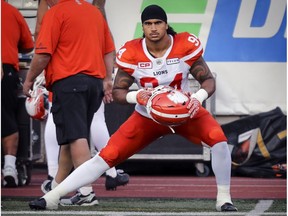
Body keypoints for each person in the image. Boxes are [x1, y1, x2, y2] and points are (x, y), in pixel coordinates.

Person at [28, 4, 238, 212]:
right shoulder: (132, 51)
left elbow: (208, 80)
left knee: (218, 140)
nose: (153, 28)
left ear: (166, 25)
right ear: (143, 27)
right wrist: (138, 95)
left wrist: (198, 97)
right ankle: (52, 197)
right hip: (147, 116)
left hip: (184, 111)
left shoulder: (184, 44)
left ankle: (224, 199)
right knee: (104, 157)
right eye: (148, 23)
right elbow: (118, 92)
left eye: (158, 23)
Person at [34, 0, 129, 205]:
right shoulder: (94, 12)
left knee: (75, 136)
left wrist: (28, 79)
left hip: (69, 80)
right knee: (74, 135)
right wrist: (106, 79)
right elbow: (108, 48)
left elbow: (42, 53)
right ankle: (56, 188)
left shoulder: (56, 13)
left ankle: (86, 192)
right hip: (93, 81)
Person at [1, 0, 34, 187]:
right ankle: (9, 167)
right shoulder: (11, 11)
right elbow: (28, 45)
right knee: (7, 117)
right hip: (6, 69)